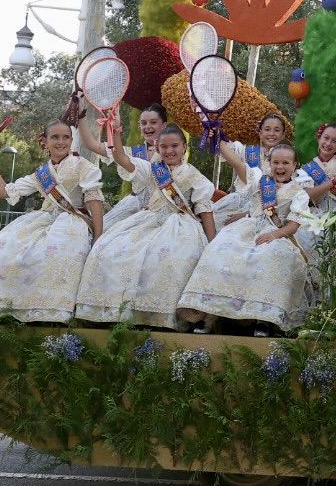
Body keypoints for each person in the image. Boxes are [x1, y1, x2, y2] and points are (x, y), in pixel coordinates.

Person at [73, 124, 215, 330]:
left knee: (165, 257)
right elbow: (122, 158)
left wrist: (212, 245)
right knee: (107, 249)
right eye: (164, 147)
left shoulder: (196, 177)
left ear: (184, 147)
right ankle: (114, 312)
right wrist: (117, 134)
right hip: (147, 221)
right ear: (157, 148)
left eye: (174, 146)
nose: (169, 151)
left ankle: (158, 317)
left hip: (180, 225)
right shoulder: (151, 169)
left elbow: (205, 210)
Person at [0, 121, 105, 323]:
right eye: (55, 137)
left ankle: (52, 313)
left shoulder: (84, 167)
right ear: (45, 141)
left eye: (66, 137)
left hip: (73, 223)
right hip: (44, 221)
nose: (61, 142)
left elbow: (94, 201)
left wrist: (99, 238)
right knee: (6, 249)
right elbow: (3, 192)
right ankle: (9, 309)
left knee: (57, 253)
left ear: (71, 140)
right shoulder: (41, 174)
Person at [178, 142, 314, 335]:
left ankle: (264, 319)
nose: (280, 167)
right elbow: (238, 163)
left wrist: (273, 235)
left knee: (271, 257)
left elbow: (293, 225)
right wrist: (219, 138)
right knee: (220, 250)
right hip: (246, 230)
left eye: (286, 163)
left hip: (276, 234)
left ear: (294, 166)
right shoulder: (260, 180)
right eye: (276, 162)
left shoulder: (299, 194)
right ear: (269, 163)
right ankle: (210, 315)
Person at [80, 102, 167, 224]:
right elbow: (90, 144)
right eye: (143, 123)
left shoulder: (172, 153)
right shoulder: (131, 153)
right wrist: (80, 116)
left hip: (164, 210)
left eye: (153, 122)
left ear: (164, 125)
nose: (147, 126)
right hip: (133, 209)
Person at [210, 112, 290, 229]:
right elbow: (225, 150)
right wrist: (213, 136)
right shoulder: (246, 151)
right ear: (260, 132)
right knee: (211, 223)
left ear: (283, 135)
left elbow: (283, 198)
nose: (272, 134)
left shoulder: (286, 161)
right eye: (267, 129)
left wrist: (247, 214)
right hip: (237, 204)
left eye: (277, 130)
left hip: (266, 212)